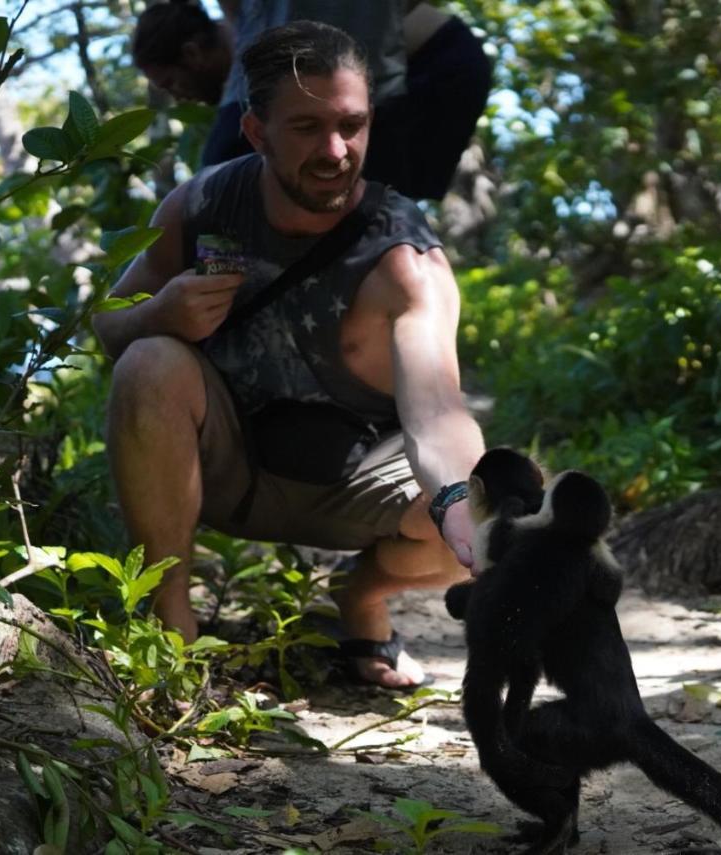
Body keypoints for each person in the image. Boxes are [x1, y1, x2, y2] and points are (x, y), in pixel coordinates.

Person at [95, 20, 483, 689]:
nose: (336, 150)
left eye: (352, 125)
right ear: (255, 132)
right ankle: (171, 636)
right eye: (306, 127)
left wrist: (460, 502)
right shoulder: (205, 203)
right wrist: (162, 313)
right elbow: (108, 322)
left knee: (488, 499)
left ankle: (360, 599)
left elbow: (436, 411)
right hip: (226, 467)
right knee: (147, 361)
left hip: (356, 484)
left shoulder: (405, 258)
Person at [131, 0, 491, 200]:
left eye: (172, 82)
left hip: (437, 67)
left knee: (222, 176)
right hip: (381, 78)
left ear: (193, 54)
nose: (179, 95)